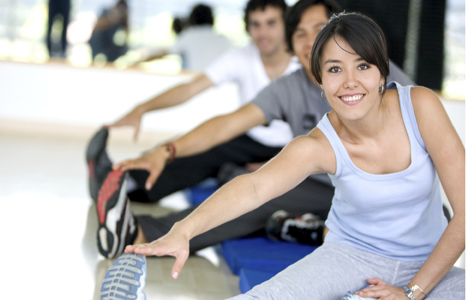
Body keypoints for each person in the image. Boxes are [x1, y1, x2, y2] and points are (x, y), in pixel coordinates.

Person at [123, 12, 465, 299]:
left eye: (362, 66)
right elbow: (253, 188)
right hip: (350, 256)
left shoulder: (420, 107)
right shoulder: (318, 145)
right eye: (334, 69)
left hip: (428, 262)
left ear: (381, 74)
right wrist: (184, 230)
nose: (349, 82)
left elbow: (464, 215)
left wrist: (412, 292)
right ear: (320, 82)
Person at [91, 0, 416, 259]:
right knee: (253, 193)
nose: (309, 41)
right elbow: (229, 124)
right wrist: (166, 151)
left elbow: (422, 136)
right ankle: (144, 233)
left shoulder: (375, 72)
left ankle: (310, 228)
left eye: (319, 29)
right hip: (321, 184)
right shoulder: (288, 87)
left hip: (380, 186)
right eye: (299, 34)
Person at [137, 4, 232, 72]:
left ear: (192, 19)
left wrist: (136, 61)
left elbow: (162, 53)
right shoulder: (224, 39)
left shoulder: (189, 35)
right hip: (222, 88)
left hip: (195, 85)